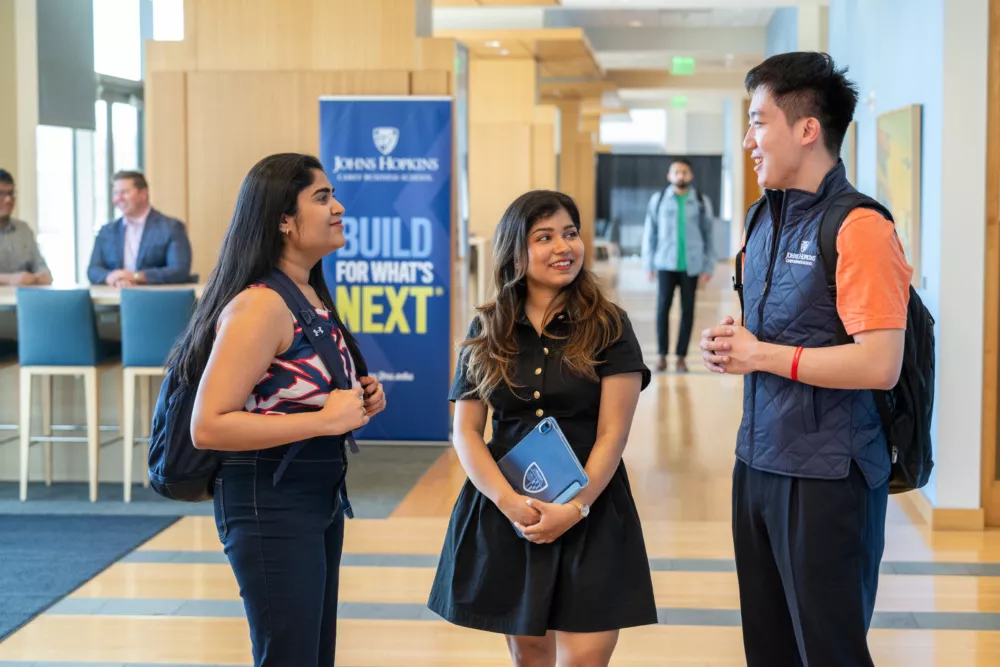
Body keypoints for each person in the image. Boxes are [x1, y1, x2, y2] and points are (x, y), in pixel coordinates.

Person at [700, 52, 912, 667]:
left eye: (758, 121)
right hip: (758, 463)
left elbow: (879, 365)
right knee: (768, 650)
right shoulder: (761, 219)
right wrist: (733, 342)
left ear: (806, 128)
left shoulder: (861, 227)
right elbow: (763, 329)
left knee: (829, 652)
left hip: (829, 479)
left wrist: (760, 353)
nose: (748, 140)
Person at [173, 153, 387, 667]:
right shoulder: (260, 305)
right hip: (267, 499)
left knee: (312, 656)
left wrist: (356, 396)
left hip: (315, 494)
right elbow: (208, 425)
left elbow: (283, 391)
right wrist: (324, 418)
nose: (338, 207)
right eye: (321, 198)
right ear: (284, 221)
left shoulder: (304, 292)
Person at [428, 190, 657, 667]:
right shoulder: (487, 329)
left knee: (585, 658)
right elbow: (466, 432)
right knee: (530, 654)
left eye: (570, 234)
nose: (563, 247)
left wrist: (574, 508)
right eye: (545, 237)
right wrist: (510, 504)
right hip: (512, 510)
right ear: (516, 250)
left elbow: (614, 433)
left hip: (591, 507)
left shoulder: (609, 325)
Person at [640, 159, 716, 373]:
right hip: (664, 263)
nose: (680, 175)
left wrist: (708, 265)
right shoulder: (659, 200)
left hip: (691, 265)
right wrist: (648, 263)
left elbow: (709, 235)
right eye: (676, 172)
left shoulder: (700, 201)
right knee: (662, 309)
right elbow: (650, 233)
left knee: (688, 310)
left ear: (690, 175)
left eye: (684, 172)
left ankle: (681, 356)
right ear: (669, 176)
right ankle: (662, 355)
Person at [87, 170, 193, 286]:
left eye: (125, 192)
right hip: (114, 300)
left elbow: (179, 270)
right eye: (116, 193)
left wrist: (136, 276)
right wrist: (111, 277)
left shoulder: (172, 227)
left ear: (143, 194)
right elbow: (93, 270)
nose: (118, 199)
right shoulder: (107, 231)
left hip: (155, 299)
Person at [0, 169, 51, 286]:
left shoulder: (24, 229)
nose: (8, 199)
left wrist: (43, 276)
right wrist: (10, 279)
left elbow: (40, 265)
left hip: (26, 300)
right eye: (1, 193)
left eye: (11, 193)